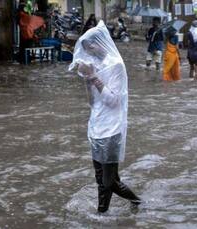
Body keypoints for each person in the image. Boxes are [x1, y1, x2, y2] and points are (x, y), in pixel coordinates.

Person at [68, 21, 141, 213]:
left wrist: (93, 76)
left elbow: (113, 101)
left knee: (108, 181)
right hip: (96, 126)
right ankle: (104, 214)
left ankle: (136, 202)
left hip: (112, 129)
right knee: (102, 179)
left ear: (100, 42)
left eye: (91, 45)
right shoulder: (96, 65)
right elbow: (93, 102)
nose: (89, 50)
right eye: (86, 48)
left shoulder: (116, 65)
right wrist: (86, 79)